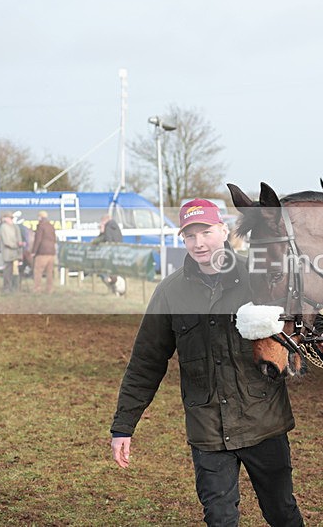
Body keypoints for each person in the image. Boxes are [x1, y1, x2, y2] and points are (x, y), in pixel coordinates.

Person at [110, 199, 304, 526]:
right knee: (219, 518)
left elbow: (301, 319)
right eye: (190, 235)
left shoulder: (259, 277)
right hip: (209, 429)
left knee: (282, 512)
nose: (199, 243)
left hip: (264, 422)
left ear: (224, 231)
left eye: (206, 232)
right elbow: (146, 362)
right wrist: (123, 426)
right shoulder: (170, 293)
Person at [92, 214, 124, 294]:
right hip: (118, 252)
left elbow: (107, 239)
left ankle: (115, 289)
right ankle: (116, 289)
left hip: (111, 253)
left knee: (104, 272)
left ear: (104, 221)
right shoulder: (115, 226)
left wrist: (101, 233)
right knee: (114, 272)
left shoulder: (108, 227)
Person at [31, 210, 57, 294]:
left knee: (38, 271)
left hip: (42, 252)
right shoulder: (51, 226)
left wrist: (33, 251)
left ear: (40, 217)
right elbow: (54, 239)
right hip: (51, 252)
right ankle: (50, 289)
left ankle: (37, 289)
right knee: (50, 272)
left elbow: (38, 240)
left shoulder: (40, 226)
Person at [0, 212, 23, 293]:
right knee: (7, 271)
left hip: (16, 253)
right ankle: (7, 288)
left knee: (15, 271)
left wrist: (19, 245)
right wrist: (15, 245)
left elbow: (19, 238)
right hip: (7, 253)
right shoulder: (3, 227)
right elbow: (6, 241)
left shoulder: (15, 227)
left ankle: (15, 287)